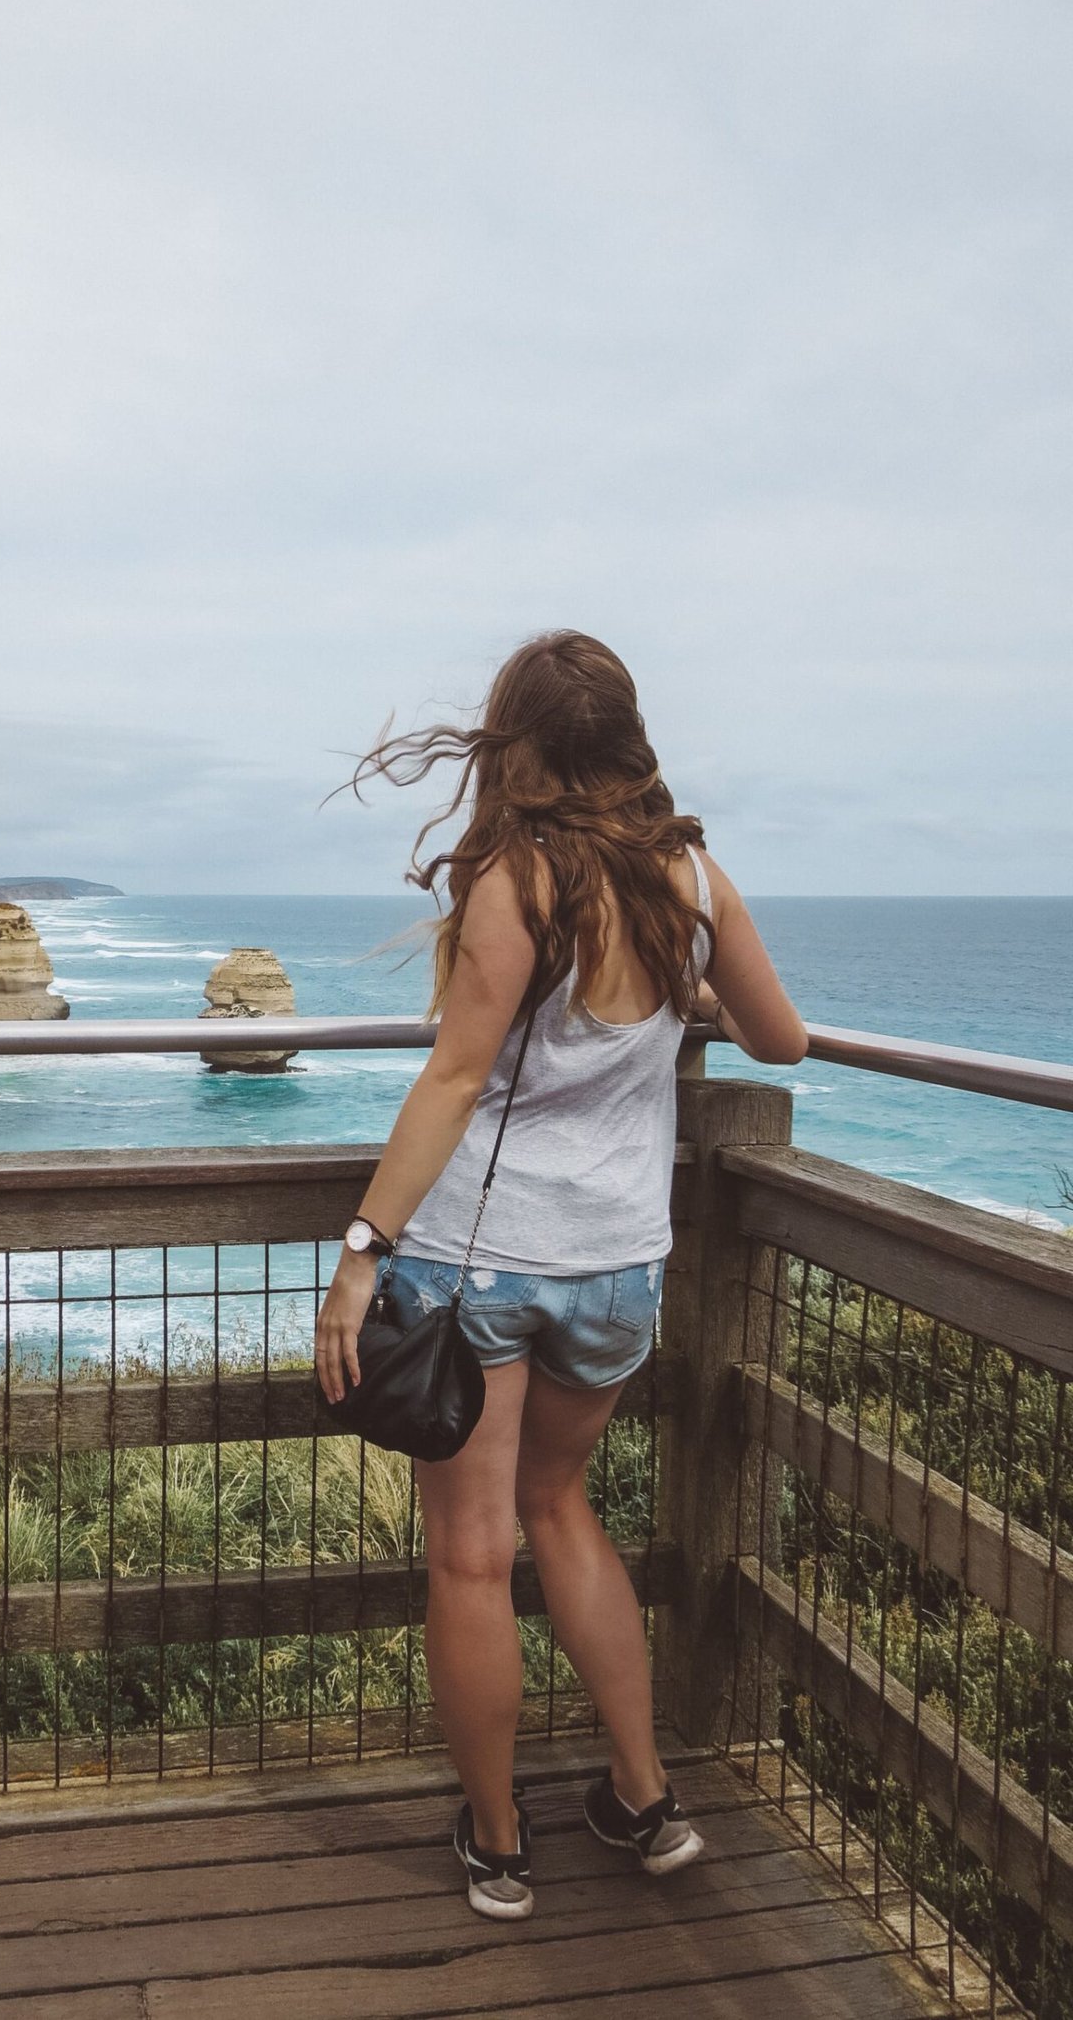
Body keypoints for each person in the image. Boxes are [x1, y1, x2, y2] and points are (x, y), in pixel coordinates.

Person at [315, 630, 807, 1920]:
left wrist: (361, 1257)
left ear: (519, 742)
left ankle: (499, 1844)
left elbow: (456, 1076)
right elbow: (784, 1038)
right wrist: (677, 1000)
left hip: (482, 1273)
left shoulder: (518, 879)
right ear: (626, 741)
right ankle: (644, 1801)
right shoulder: (690, 880)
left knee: (473, 1556)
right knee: (564, 1512)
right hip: (615, 1274)